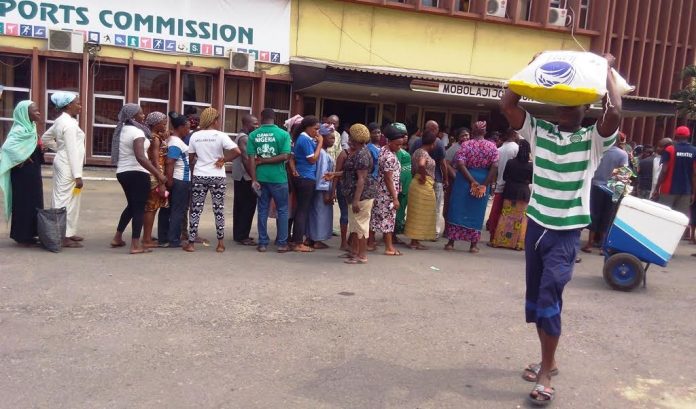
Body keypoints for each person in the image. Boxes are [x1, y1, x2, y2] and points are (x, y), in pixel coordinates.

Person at [501, 53, 621, 406]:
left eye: (573, 104)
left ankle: (545, 373)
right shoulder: (539, 131)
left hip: (565, 232)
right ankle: (547, 361)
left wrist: (606, 69)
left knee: (550, 297)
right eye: (561, 104)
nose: (565, 110)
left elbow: (614, 112)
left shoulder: (593, 140)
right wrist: (534, 67)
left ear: (586, 106)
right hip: (536, 227)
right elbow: (507, 103)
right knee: (537, 299)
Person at [110, 104, 168, 254]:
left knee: (131, 206)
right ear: (133, 116)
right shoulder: (137, 132)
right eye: (141, 114)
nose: (143, 116)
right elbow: (141, 157)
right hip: (137, 173)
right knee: (139, 209)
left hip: (122, 172)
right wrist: (158, 174)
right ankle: (135, 245)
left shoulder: (122, 129)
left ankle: (117, 237)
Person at [183, 107, 241, 253]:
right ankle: (220, 244)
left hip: (200, 175)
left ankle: (191, 244)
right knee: (218, 209)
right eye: (218, 120)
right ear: (214, 121)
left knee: (196, 209)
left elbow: (191, 158)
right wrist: (224, 160)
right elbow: (237, 152)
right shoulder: (220, 136)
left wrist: (198, 164)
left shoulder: (195, 136)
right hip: (218, 176)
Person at [444, 121, 499, 253]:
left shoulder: (466, 145)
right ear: (485, 132)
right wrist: (484, 184)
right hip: (483, 178)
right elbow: (495, 166)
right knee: (477, 211)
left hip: (464, 180)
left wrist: (472, 181)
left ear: (473, 132)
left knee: (458, 208)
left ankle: (451, 242)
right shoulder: (492, 147)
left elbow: (460, 164)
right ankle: (473, 245)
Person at [325, 123, 376, 264]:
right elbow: (350, 172)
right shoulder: (358, 152)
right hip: (354, 194)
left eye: (350, 136)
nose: (348, 138)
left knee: (361, 226)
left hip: (362, 196)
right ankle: (354, 252)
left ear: (354, 139)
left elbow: (361, 179)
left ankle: (362, 255)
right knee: (355, 226)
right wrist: (334, 174)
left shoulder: (362, 155)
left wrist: (356, 200)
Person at [41, 92, 85, 248]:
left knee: (71, 199)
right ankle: (62, 235)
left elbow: (45, 138)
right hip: (68, 166)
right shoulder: (69, 124)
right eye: (77, 103)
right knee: (64, 200)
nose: (80, 106)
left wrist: (59, 149)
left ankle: (68, 232)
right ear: (68, 105)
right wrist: (77, 175)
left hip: (65, 163)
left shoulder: (61, 121)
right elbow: (71, 150)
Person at [249, 108, 293, 253]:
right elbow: (285, 156)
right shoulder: (283, 134)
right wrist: (267, 160)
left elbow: (251, 159)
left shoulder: (254, 135)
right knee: (283, 210)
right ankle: (282, 244)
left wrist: (254, 179)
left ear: (261, 117)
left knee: (262, 210)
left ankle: (262, 243)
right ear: (274, 118)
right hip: (278, 178)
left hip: (261, 178)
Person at [0, 101, 43, 246]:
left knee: (34, 202)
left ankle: (31, 233)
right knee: (23, 203)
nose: (38, 112)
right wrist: (21, 157)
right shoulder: (19, 130)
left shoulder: (31, 127)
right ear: (25, 114)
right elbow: (7, 148)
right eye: (35, 110)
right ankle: (21, 235)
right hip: (22, 174)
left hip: (33, 172)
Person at [581, 133, 629, 253]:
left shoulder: (598, 151)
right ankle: (603, 246)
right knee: (608, 216)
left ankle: (589, 243)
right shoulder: (622, 154)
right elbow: (623, 173)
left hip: (595, 186)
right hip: (612, 189)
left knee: (594, 214)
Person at [490, 140, 533, 250]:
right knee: (521, 218)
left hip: (509, 191)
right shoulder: (531, 165)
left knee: (506, 216)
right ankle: (518, 243)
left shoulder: (510, 162)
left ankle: (499, 241)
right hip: (523, 193)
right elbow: (532, 180)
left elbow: (505, 177)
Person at [410, 120, 448, 239]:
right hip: (431, 180)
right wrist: (445, 178)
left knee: (418, 209)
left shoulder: (416, 143)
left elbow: (412, 161)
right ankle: (432, 232)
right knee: (433, 208)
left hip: (417, 179)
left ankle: (419, 235)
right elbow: (442, 163)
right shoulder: (437, 143)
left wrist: (415, 175)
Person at [291, 116, 323, 252]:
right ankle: (298, 242)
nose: (317, 132)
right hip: (306, 177)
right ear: (307, 127)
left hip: (301, 176)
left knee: (300, 209)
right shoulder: (304, 139)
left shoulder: (302, 138)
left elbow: (292, 157)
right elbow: (312, 159)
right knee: (302, 211)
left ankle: (296, 239)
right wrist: (320, 143)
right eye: (315, 129)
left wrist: (293, 169)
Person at [370, 125, 403, 256]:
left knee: (376, 217)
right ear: (389, 141)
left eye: (401, 144)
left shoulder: (382, 150)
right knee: (388, 220)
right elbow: (388, 178)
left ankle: (370, 242)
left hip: (380, 190)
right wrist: (395, 198)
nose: (399, 147)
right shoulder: (390, 157)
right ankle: (389, 247)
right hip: (387, 193)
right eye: (397, 144)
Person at [405, 130, 439, 250]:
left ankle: (415, 240)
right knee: (421, 213)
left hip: (416, 183)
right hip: (422, 185)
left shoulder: (417, 151)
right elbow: (421, 164)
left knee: (417, 213)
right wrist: (423, 177)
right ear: (432, 143)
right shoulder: (424, 153)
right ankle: (415, 242)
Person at [652, 126, 696, 218]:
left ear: (676, 135)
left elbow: (664, 170)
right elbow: (694, 174)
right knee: (679, 219)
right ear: (688, 136)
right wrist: (693, 192)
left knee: (664, 216)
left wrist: (657, 188)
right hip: (685, 191)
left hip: (667, 190)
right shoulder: (694, 151)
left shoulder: (670, 149)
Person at [142, 112, 170, 249]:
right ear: (156, 123)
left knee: (151, 207)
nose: (165, 125)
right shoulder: (155, 139)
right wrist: (161, 180)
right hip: (155, 176)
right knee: (151, 208)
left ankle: (146, 236)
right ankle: (146, 240)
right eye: (163, 123)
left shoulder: (154, 136)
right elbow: (155, 160)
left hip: (154, 175)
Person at [164, 112, 191, 248]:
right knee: (178, 210)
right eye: (187, 127)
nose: (189, 130)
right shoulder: (175, 142)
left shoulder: (173, 140)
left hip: (179, 179)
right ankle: (174, 239)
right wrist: (169, 181)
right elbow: (170, 162)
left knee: (172, 209)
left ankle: (168, 236)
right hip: (180, 179)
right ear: (180, 127)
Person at [232, 114, 259, 246]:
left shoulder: (241, 136)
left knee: (240, 206)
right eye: (255, 123)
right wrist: (254, 178)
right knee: (247, 207)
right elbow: (246, 159)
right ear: (247, 124)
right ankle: (243, 236)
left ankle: (239, 234)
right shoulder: (244, 138)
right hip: (245, 177)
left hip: (240, 177)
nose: (257, 126)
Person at [307, 124, 336, 249]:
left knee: (314, 213)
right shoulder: (323, 154)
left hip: (318, 187)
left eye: (334, 138)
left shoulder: (320, 151)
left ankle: (310, 238)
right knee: (320, 214)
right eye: (331, 138)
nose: (333, 140)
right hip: (322, 189)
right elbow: (323, 174)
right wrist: (326, 193)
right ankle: (317, 240)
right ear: (322, 137)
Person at [487, 128, 519, 241]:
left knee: (496, 210)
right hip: (512, 186)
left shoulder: (499, 150)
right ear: (514, 135)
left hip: (499, 183)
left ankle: (493, 234)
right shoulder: (517, 148)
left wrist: (493, 183)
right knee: (510, 213)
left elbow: (494, 169)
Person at [394, 123, 412, 240]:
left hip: (405, 185)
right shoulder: (397, 151)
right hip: (400, 186)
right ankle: (393, 236)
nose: (405, 137)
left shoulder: (402, 150)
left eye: (406, 134)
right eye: (402, 135)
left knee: (401, 209)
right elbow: (396, 169)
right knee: (397, 210)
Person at [366, 122, 382, 250]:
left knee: (375, 212)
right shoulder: (369, 148)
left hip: (380, 182)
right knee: (370, 213)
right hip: (372, 181)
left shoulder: (381, 148)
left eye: (379, 132)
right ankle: (368, 240)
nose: (377, 135)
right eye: (374, 132)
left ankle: (371, 238)